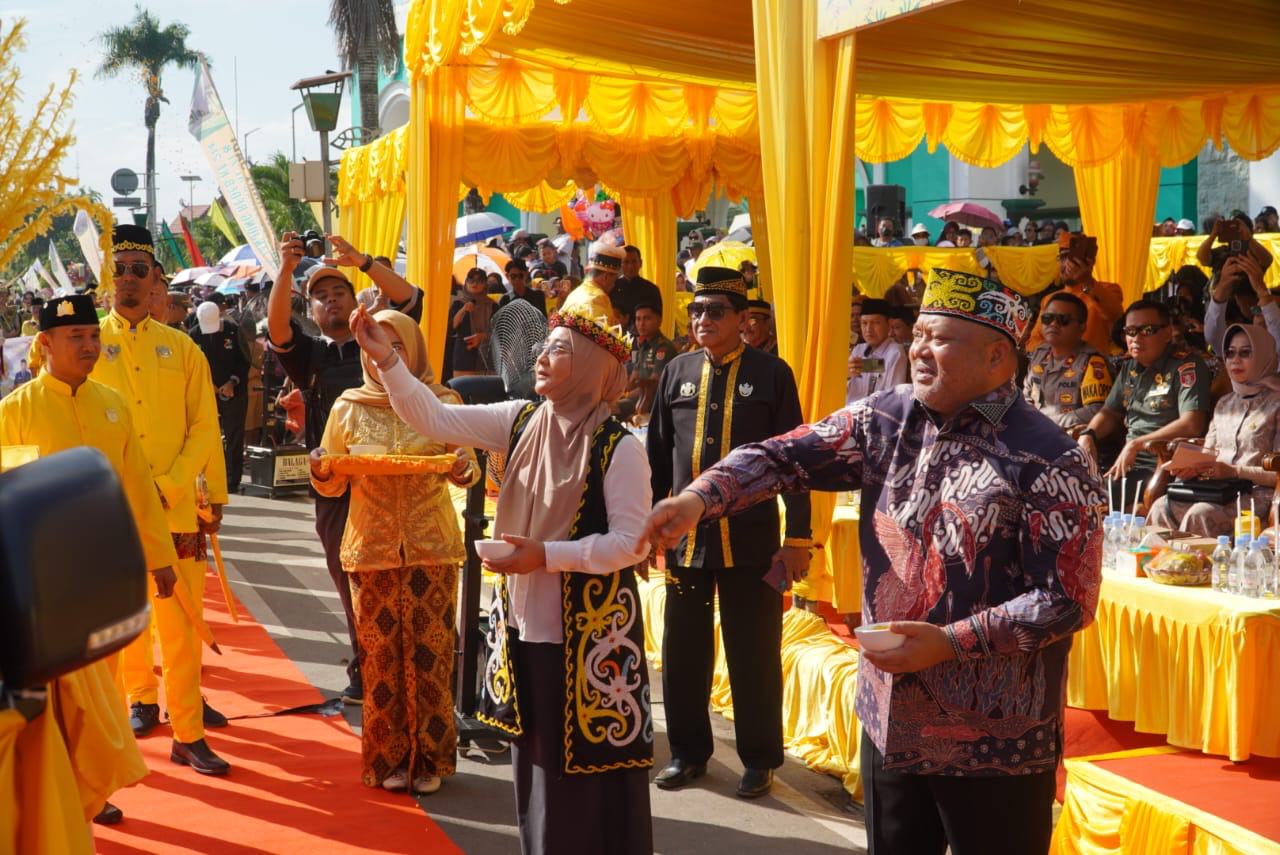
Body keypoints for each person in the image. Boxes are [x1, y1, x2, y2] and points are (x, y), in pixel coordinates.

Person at [643, 267, 1104, 854]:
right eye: (918, 335)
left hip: (995, 742)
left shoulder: (1051, 457)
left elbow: (1067, 599)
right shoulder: (888, 418)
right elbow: (784, 456)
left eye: (940, 337)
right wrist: (698, 499)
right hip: (891, 717)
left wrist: (951, 642)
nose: (919, 349)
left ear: (996, 357)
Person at [354, 285, 654, 854]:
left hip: (589, 640)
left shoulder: (620, 447)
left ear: (592, 365)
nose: (541, 356)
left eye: (559, 350)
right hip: (523, 626)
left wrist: (545, 557)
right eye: (546, 346)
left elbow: (631, 544)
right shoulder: (522, 421)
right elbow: (437, 418)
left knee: (584, 781)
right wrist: (386, 359)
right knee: (534, 771)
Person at [0, 294, 177, 826]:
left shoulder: (112, 403)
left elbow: (139, 486)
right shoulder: (14, 412)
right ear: (45, 344)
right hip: (44, 586)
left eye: (93, 336)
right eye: (75, 337)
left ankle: (91, 789)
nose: (89, 346)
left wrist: (160, 555)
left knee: (100, 692)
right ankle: (61, 791)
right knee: (56, 698)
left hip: (104, 574)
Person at [647, 266, 811, 800]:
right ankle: (689, 753)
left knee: (754, 653)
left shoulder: (771, 374)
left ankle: (760, 759)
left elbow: (795, 460)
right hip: (685, 543)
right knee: (683, 653)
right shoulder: (676, 372)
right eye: (695, 310)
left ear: (745, 320)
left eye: (715, 311)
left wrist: (799, 537)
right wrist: (646, 525)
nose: (702, 320)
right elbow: (654, 457)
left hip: (751, 540)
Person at [309, 309, 478, 795]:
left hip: (432, 546)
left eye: (397, 348)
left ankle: (429, 760)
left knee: (432, 653)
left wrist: (464, 465)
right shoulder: (348, 407)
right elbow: (332, 479)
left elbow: (462, 469)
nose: (386, 358)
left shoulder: (441, 400)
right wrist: (322, 468)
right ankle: (388, 760)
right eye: (377, 348)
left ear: (414, 352)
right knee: (381, 658)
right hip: (372, 547)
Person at [91, 224, 230, 775]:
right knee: (125, 617)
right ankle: (139, 698)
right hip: (109, 512)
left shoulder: (184, 348)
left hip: (174, 508)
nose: (128, 279)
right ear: (108, 278)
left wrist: (200, 490)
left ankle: (188, 731)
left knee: (180, 622)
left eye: (138, 270)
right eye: (119, 269)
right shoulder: (85, 345)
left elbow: (205, 425)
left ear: (156, 281)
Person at [267, 230, 425, 705]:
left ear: (356, 300)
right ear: (310, 310)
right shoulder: (311, 356)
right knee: (347, 576)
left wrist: (364, 261)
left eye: (339, 292)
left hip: (389, 479)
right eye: (320, 297)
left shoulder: (377, 338)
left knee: (400, 576)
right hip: (335, 486)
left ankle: (406, 665)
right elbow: (277, 330)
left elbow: (410, 299)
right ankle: (367, 665)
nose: (331, 301)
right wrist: (286, 270)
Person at [1077, 299, 1212, 510]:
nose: (1136, 338)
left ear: (1167, 333)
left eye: (1147, 330)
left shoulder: (1187, 365)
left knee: (1089, 498)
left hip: (1166, 466)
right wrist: (1089, 433)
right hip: (1128, 465)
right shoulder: (1129, 367)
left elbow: (1192, 423)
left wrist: (1137, 444)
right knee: (1070, 486)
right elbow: (1110, 412)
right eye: (1130, 331)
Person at [1147, 323, 1280, 536]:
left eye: (1245, 353)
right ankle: (1156, 568)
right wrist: (1191, 467)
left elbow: (1277, 472)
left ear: (1263, 355)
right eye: (1230, 353)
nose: (1235, 360)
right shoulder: (1224, 404)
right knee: (1161, 507)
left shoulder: (1276, 403)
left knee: (1200, 514)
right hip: (1216, 491)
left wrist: (1235, 471)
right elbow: (1208, 454)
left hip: (1257, 495)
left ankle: (1195, 569)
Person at [1023, 293, 1113, 431]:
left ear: (1082, 327)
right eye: (1047, 318)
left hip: (1070, 441)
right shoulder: (1039, 354)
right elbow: (1026, 396)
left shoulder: (1092, 361)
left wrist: (1049, 423)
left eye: (1063, 320)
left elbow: (1097, 410)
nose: (1053, 324)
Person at [1025, 233, 1124, 355]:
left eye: (1071, 257)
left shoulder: (1108, 289)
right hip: (1055, 370)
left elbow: (1116, 314)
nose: (1067, 264)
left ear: (1090, 262)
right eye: (1062, 257)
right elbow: (1032, 343)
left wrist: (1086, 281)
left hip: (1092, 370)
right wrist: (1058, 352)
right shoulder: (1049, 299)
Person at [191, 301, 252, 493]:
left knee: (234, 435)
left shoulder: (233, 331)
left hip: (234, 391)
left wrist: (232, 382)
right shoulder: (193, 335)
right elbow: (191, 365)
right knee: (206, 436)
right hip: (205, 392)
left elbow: (245, 361)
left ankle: (232, 481)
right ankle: (207, 479)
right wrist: (207, 385)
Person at [619, 301, 676, 423]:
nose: (641, 324)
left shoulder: (663, 347)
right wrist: (620, 394)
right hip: (637, 398)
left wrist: (623, 399)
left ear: (659, 320)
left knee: (610, 410)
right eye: (638, 319)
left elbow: (653, 386)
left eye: (647, 318)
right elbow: (634, 378)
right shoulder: (643, 345)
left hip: (651, 403)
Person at [846, 298, 909, 406]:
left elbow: (894, 398)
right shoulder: (859, 349)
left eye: (875, 323)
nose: (868, 329)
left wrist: (863, 366)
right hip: (850, 413)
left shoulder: (895, 352)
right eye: (864, 323)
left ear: (889, 324)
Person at [449, 268, 497, 377]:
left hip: (488, 358)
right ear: (466, 282)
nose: (475, 283)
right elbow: (450, 329)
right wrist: (463, 310)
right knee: (462, 392)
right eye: (471, 279)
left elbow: (500, 333)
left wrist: (482, 337)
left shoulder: (492, 305)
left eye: (479, 280)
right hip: (464, 358)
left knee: (485, 393)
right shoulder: (458, 303)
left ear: (485, 284)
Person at [610, 245, 663, 329]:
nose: (631, 266)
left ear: (640, 263)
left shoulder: (651, 289)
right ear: (620, 264)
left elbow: (658, 318)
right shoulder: (612, 287)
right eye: (626, 262)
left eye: (634, 261)